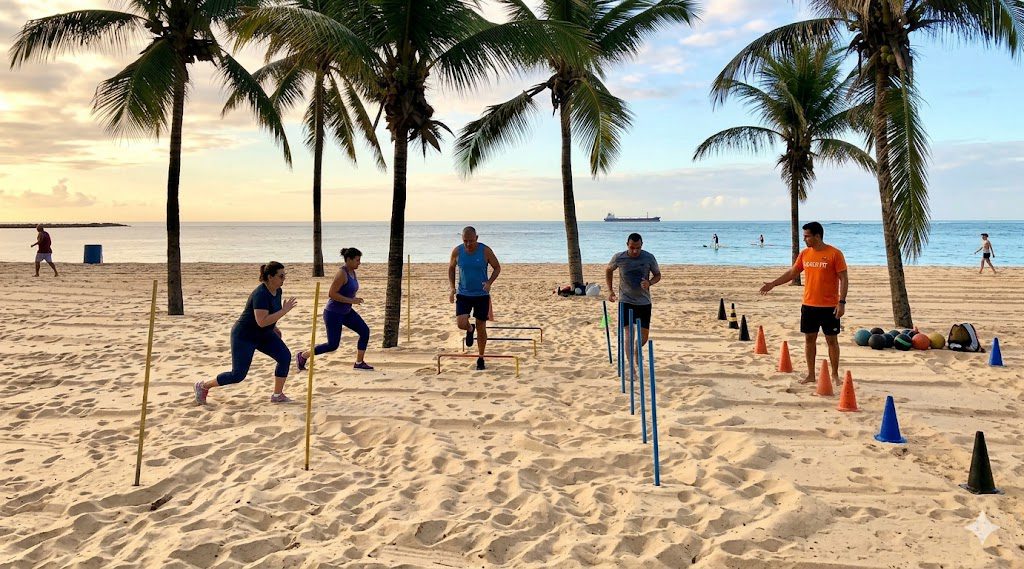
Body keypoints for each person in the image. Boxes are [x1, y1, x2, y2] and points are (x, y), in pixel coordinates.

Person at [195, 262, 296, 405]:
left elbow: (270, 314)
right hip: (244, 336)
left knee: (285, 356)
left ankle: (277, 395)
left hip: (264, 334)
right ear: (270, 277)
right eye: (281, 275)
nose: (284, 278)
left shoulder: (277, 290)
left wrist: (274, 327)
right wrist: (284, 311)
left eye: (285, 275)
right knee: (238, 375)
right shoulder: (260, 294)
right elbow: (261, 321)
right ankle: (203, 386)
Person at [760, 221, 848, 386]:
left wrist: (842, 302)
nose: (804, 239)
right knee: (809, 339)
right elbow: (792, 272)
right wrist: (773, 284)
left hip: (830, 306)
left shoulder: (835, 254)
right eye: (804, 236)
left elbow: (844, 278)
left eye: (807, 236)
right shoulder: (805, 254)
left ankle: (835, 374)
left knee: (832, 341)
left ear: (817, 236)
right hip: (809, 305)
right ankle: (810, 375)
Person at [296, 247, 373, 371]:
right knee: (332, 345)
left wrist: (354, 299)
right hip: (333, 313)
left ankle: (359, 363)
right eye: (357, 260)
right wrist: (351, 300)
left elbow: (347, 291)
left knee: (365, 331)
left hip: (346, 312)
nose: (359, 263)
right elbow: (332, 293)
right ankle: (303, 355)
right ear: (348, 260)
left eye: (360, 260)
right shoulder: (341, 273)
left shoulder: (353, 271)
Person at [449, 226, 501, 370]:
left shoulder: (485, 250)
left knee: (481, 326)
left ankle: (481, 358)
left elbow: (497, 267)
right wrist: (452, 288)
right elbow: (451, 268)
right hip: (463, 294)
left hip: (481, 295)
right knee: (461, 323)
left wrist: (489, 282)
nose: (468, 244)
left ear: (476, 238)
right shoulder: (457, 251)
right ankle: (469, 329)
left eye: (471, 241)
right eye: (465, 241)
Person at [606, 233, 662, 361]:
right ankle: (631, 365)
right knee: (628, 334)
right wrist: (610, 290)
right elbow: (608, 270)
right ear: (627, 245)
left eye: (638, 247)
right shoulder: (619, 257)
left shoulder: (649, 257)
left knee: (644, 337)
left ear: (642, 245)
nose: (635, 251)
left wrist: (649, 283)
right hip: (626, 300)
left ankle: (637, 349)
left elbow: (658, 275)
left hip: (644, 301)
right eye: (632, 247)